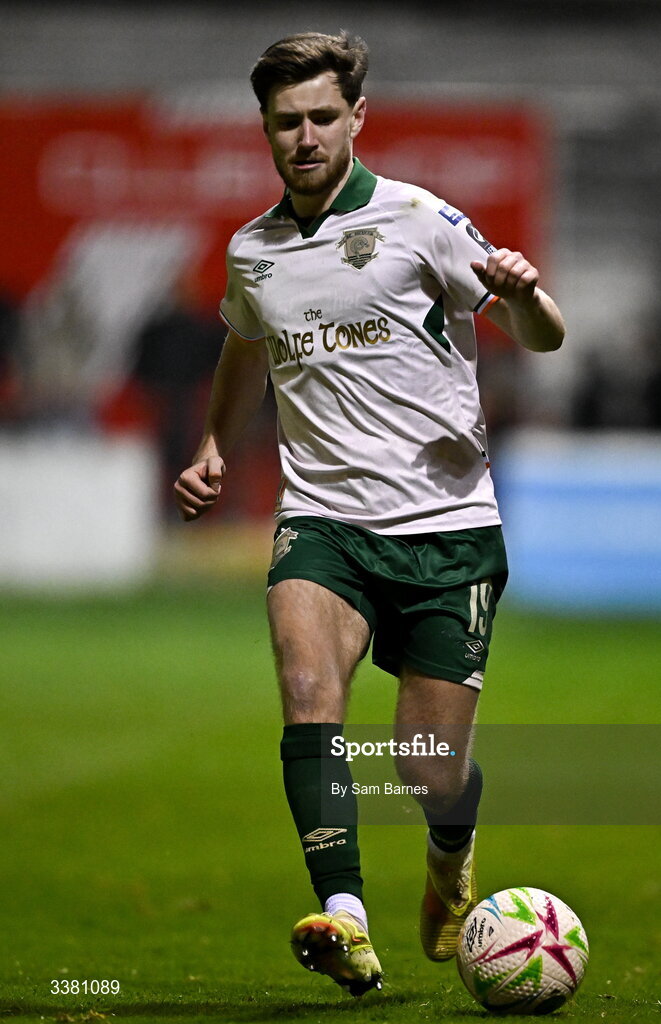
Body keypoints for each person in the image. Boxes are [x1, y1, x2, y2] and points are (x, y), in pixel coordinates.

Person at [174, 31, 564, 998]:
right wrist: (215, 445)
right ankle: (343, 915)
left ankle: (447, 851)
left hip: (446, 531)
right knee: (308, 692)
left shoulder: (424, 221)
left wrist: (520, 297)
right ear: (265, 131)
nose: (302, 137)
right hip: (323, 523)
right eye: (284, 123)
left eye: (318, 117)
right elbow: (242, 346)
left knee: (428, 769)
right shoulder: (253, 251)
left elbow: (542, 336)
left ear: (356, 119)